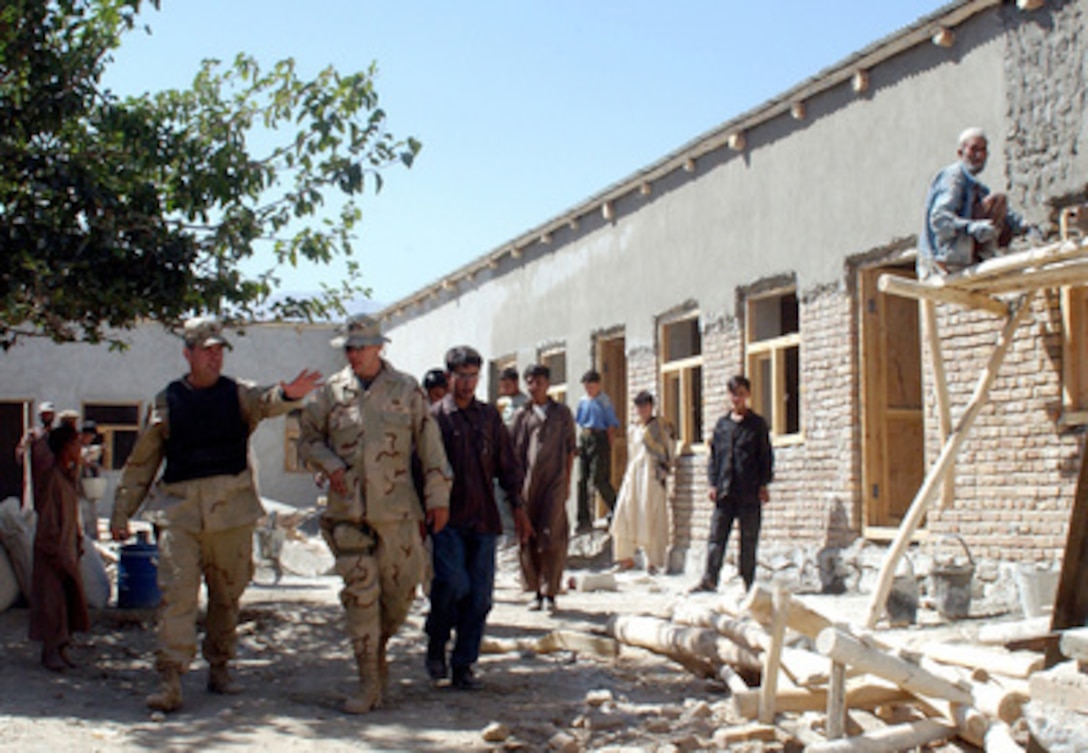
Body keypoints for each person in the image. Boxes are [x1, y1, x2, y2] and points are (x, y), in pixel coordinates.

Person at [110, 316, 322, 712]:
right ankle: (171, 678)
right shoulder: (166, 401)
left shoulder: (238, 394)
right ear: (187, 353)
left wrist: (290, 394)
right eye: (206, 350)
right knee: (177, 597)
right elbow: (142, 463)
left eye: (219, 350)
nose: (214, 357)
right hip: (181, 515)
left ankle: (220, 666)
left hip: (231, 516)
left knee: (227, 597)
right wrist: (122, 511)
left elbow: (268, 399)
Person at [298, 314, 452, 714]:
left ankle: (378, 649)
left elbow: (430, 446)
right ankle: (367, 679)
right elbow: (308, 440)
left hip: (398, 512)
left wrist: (438, 497)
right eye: (348, 348)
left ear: (379, 347)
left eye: (360, 347)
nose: (353, 354)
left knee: (399, 596)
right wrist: (329, 464)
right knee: (361, 596)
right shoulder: (330, 392)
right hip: (348, 511)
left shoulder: (406, 389)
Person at [428, 345, 531, 690]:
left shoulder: (489, 417)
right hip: (447, 520)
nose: (468, 384)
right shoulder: (434, 419)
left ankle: (463, 664)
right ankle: (437, 640)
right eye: (462, 376)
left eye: (473, 377)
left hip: (484, 519)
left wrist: (518, 507)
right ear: (449, 377)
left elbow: (508, 465)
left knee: (480, 597)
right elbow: (420, 469)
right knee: (454, 584)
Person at [692, 375, 773, 593]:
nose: (736, 398)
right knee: (716, 538)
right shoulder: (722, 425)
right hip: (725, 491)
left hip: (749, 491)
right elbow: (714, 457)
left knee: (748, 540)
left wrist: (764, 484)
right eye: (733, 394)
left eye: (740, 393)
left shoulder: (757, 425)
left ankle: (748, 583)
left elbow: (765, 456)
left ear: (747, 395)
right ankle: (709, 579)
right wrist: (712, 483)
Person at [510, 364, 576, 613]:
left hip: (555, 482)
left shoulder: (562, 414)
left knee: (553, 535)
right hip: (528, 486)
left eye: (538, 381)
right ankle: (535, 590)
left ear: (548, 384)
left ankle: (551, 591)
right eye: (529, 382)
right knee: (529, 536)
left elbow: (571, 450)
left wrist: (567, 481)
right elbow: (514, 455)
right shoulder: (522, 416)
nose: (533, 387)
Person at [919, 127, 1029, 278]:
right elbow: (939, 220)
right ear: (960, 153)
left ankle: (991, 252)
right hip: (941, 259)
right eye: (974, 149)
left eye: (983, 150)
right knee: (995, 202)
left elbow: (1009, 215)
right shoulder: (953, 178)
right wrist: (972, 228)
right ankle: (984, 253)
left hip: (961, 255)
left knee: (998, 201)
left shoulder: (977, 187)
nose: (979, 155)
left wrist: (1026, 227)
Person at [29, 423, 90, 672]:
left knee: (67, 600)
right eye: (75, 444)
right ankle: (50, 651)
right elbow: (49, 519)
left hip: (67, 548)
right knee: (52, 601)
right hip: (52, 550)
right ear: (65, 448)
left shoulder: (68, 477)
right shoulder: (52, 478)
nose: (80, 449)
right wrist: (54, 550)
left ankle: (62, 647)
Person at [611, 391, 675, 574]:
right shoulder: (633, 429)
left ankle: (653, 561)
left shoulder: (661, 428)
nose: (642, 410)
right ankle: (625, 558)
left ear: (651, 407)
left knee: (651, 517)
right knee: (624, 513)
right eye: (639, 406)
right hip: (634, 475)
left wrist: (664, 469)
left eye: (645, 406)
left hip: (652, 475)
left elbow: (669, 450)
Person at [574, 370, 620, 532]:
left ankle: (617, 510)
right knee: (582, 480)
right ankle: (583, 518)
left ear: (598, 385)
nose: (588, 389)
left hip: (599, 439)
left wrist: (609, 445)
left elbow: (611, 426)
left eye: (591, 386)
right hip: (585, 437)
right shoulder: (583, 401)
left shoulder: (604, 401)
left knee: (599, 479)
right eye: (586, 386)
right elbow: (579, 421)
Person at [494, 365, 529, 545]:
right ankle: (509, 530)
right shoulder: (508, 405)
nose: (503, 388)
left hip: (519, 457)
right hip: (506, 456)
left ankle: (516, 531)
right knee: (501, 492)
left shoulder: (524, 404)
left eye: (506, 384)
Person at [78, 420, 104, 540]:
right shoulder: (76, 447)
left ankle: (92, 537)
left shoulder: (90, 449)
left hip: (88, 486)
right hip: (77, 487)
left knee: (91, 513)